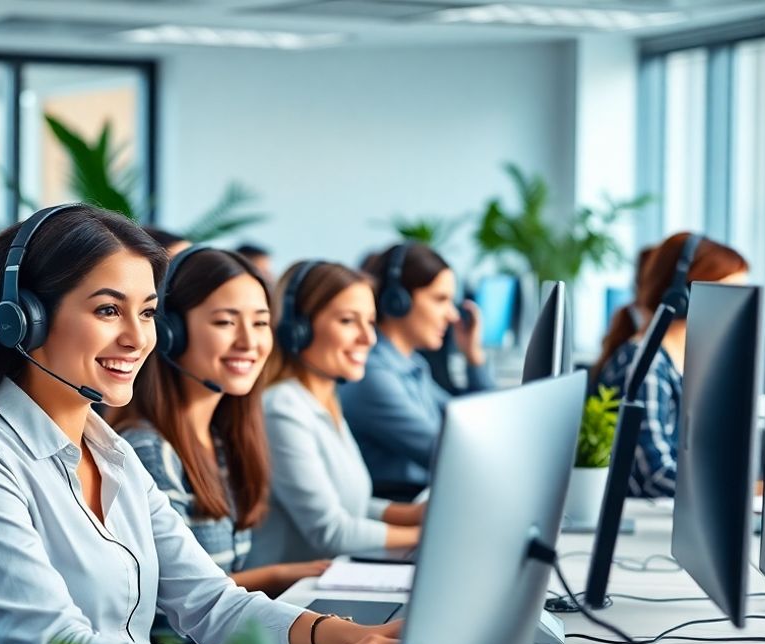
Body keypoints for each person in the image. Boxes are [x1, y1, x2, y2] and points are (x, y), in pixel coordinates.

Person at [0, 205, 399, 644]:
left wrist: (346, 637)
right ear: (21, 318)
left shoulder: (111, 452)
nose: (138, 340)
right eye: (108, 311)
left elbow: (211, 602)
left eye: (146, 313)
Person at [113, 246, 327, 598]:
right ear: (170, 332)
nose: (249, 342)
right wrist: (279, 575)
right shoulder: (150, 451)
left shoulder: (221, 440)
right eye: (226, 322)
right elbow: (174, 596)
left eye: (260, 323)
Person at [246, 261, 423, 569]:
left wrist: (416, 515)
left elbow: (348, 503)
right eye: (348, 321)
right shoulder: (282, 408)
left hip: (321, 585)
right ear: (297, 328)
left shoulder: (323, 399)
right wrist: (425, 535)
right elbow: (330, 530)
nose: (369, 338)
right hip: (283, 601)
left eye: (370, 321)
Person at [593, 232, 749, 498]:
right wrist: (737, 494)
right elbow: (656, 475)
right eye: (730, 296)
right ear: (683, 297)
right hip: (642, 529)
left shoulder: (687, 362)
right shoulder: (646, 362)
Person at [341, 242, 491, 500]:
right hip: (401, 511)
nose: (453, 315)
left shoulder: (410, 365)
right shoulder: (373, 376)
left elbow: (476, 422)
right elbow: (449, 454)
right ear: (398, 301)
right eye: (440, 299)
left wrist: (474, 357)